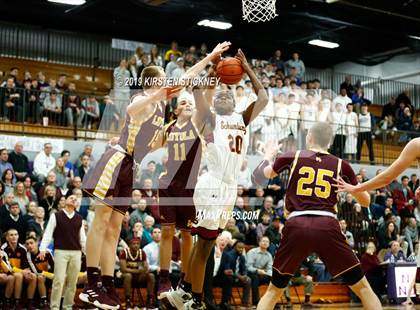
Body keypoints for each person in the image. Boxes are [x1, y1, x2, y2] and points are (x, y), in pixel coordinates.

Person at [80, 42, 230, 310]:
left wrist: (209, 57)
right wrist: (156, 95)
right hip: (116, 160)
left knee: (114, 229)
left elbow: (185, 81)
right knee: (101, 222)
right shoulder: (144, 98)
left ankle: (106, 282)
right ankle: (91, 285)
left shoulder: (161, 108)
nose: (170, 82)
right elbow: (130, 109)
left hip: (131, 166)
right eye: (163, 77)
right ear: (154, 81)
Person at [162, 48, 268, 310]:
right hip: (212, 184)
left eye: (227, 93)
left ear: (233, 100)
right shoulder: (208, 118)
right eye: (219, 93)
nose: (223, 94)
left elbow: (263, 97)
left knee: (207, 246)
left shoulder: (242, 118)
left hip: (230, 188)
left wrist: (247, 67)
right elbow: (198, 91)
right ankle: (193, 297)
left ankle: (187, 293)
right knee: (203, 244)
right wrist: (214, 67)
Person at [252, 122, 382, 310]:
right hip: (326, 224)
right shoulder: (341, 165)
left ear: (310, 138)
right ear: (329, 142)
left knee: (273, 291)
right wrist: (353, 189)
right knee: (363, 289)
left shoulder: (292, 156)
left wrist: (267, 156)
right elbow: (366, 202)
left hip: (296, 223)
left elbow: (258, 177)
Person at [154, 91, 206, 297]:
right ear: (175, 110)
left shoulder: (198, 125)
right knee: (167, 232)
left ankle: (185, 279)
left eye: (190, 103)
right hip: (168, 184)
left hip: (190, 188)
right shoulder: (167, 129)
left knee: (187, 234)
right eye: (182, 103)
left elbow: (204, 104)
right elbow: (149, 145)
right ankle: (164, 278)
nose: (187, 105)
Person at [40, 195, 85, 310]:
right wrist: (42, 248)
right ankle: (54, 307)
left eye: (76, 199)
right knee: (58, 281)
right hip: (60, 252)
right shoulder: (56, 216)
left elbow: (83, 239)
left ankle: (67, 306)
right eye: (71, 198)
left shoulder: (80, 218)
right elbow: (48, 233)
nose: (74, 199)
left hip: (76, 253)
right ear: (65, 202)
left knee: (72, 283)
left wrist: (88, 253)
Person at [1, 229, 37, 309]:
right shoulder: (3, 249)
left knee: (33, 276)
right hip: (7, 272)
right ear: (7, 238)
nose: (14, 237)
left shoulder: (23, 248)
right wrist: (22, 271)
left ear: (18, 236)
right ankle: (16, 302)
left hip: (20, 272)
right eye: (11, 235)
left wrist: (26, 272)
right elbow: (8, 268)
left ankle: (29, 302)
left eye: (16, 234)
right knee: (18, 275)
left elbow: (26, 267)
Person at [119, 238, 155, 309]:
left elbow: (146, 268)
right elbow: (123, 269)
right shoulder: (124, 252)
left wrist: (141, 270)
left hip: (138, 277)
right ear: (130, 245)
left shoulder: (142, 253)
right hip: (125, 276)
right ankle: (128, 301)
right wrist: (139, 271)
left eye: (138, 244)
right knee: (128, 276)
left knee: (151, 276)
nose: (136, 245)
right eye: (134, 244)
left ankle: (149, 300)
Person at [25, 235, 54, 310]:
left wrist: (54, 276)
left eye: (31, 243)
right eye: (27, 244)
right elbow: (36, 271)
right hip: (40, 277)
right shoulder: (28, 255)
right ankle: (44, 302)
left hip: (49, 276)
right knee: (40, 277)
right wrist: (49, 275)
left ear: (37, 243)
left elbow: (55, 266)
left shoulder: (47, 252)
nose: (29, 246)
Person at [247, 236, 273, 307]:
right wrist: (257, 270)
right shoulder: (252, 252)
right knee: (255, 278)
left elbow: (270, 269)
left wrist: (270, 274)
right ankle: (256, 303)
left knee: (273, 280)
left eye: (267, 242)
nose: (265, 243)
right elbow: (248, 267)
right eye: (263, 241)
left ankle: (271, 302)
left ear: (269, 244)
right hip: (251, 273)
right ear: (259, 243)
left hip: (262, 273)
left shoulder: (269, 255)